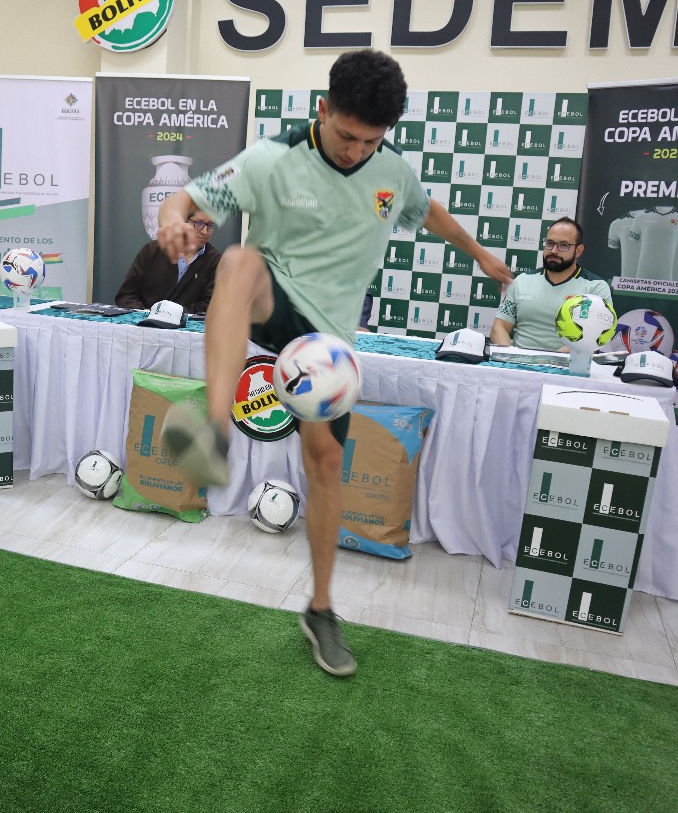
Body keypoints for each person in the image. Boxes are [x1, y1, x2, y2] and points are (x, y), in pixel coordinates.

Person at [153, 49, 513, 678]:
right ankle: (211, 428)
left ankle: (321, 609)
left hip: (327, 346)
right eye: (346, 135)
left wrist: (480, 254)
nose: (355, 150)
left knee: (324, 463)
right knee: (238, 261)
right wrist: (171, 225)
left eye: (370, 140)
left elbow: (427, 212)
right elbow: (183, 201)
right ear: (323, 111)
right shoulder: (271, 159)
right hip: (271, 297)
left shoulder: (391, 174)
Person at [490, 217, 613, 351]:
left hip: (565, 368)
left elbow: (594, 338)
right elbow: (500, 327)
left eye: (563, 245)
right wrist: (508, 356)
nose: (554, 250)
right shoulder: (523, 280)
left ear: (578, 251)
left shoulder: (595, 287)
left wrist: (550, 363)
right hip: (518, 365)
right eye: (550, 243)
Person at [115, 210, 221, 314]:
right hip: (143, 324)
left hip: (185, 327)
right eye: (199, 223)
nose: (204, 231)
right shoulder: (151, 250)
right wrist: (146, 316)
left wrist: (172, 315)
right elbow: (126, 296)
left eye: (210, 225)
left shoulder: (215, 261)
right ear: (183, 222)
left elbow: (210, 306)